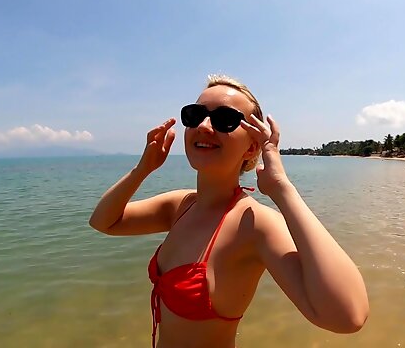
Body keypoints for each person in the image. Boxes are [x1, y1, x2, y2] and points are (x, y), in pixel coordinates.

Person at [89, 75, 369, 347]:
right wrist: (142, 169)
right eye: (195, 115)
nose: (205, 126)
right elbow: (104, 222)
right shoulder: (181, 206)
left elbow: (348, 316)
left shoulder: (254, 224)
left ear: (252, 147)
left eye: (225, 120)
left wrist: (283, 189)